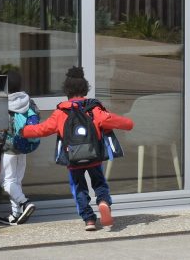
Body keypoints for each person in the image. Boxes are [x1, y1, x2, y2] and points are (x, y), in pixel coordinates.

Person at [18, 66, 134, 231]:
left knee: (79, 188)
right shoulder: (94, 108)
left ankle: (89, 220)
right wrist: (129, 124)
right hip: (94, 157)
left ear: (67, 90)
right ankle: (103, 202)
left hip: (73, 158)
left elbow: (42, 129)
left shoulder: (60, 112)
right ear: (85, 89)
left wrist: (23, 131)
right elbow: (113, 120)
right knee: (99, 183)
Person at [0, 70, 37, 226]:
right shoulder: (28, 100)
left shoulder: (4, 103)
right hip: (24, 145)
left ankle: (25, 202)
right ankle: (15, 214)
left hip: (10, 147)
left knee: (6, 182)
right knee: (16, 181)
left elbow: (1, 129)